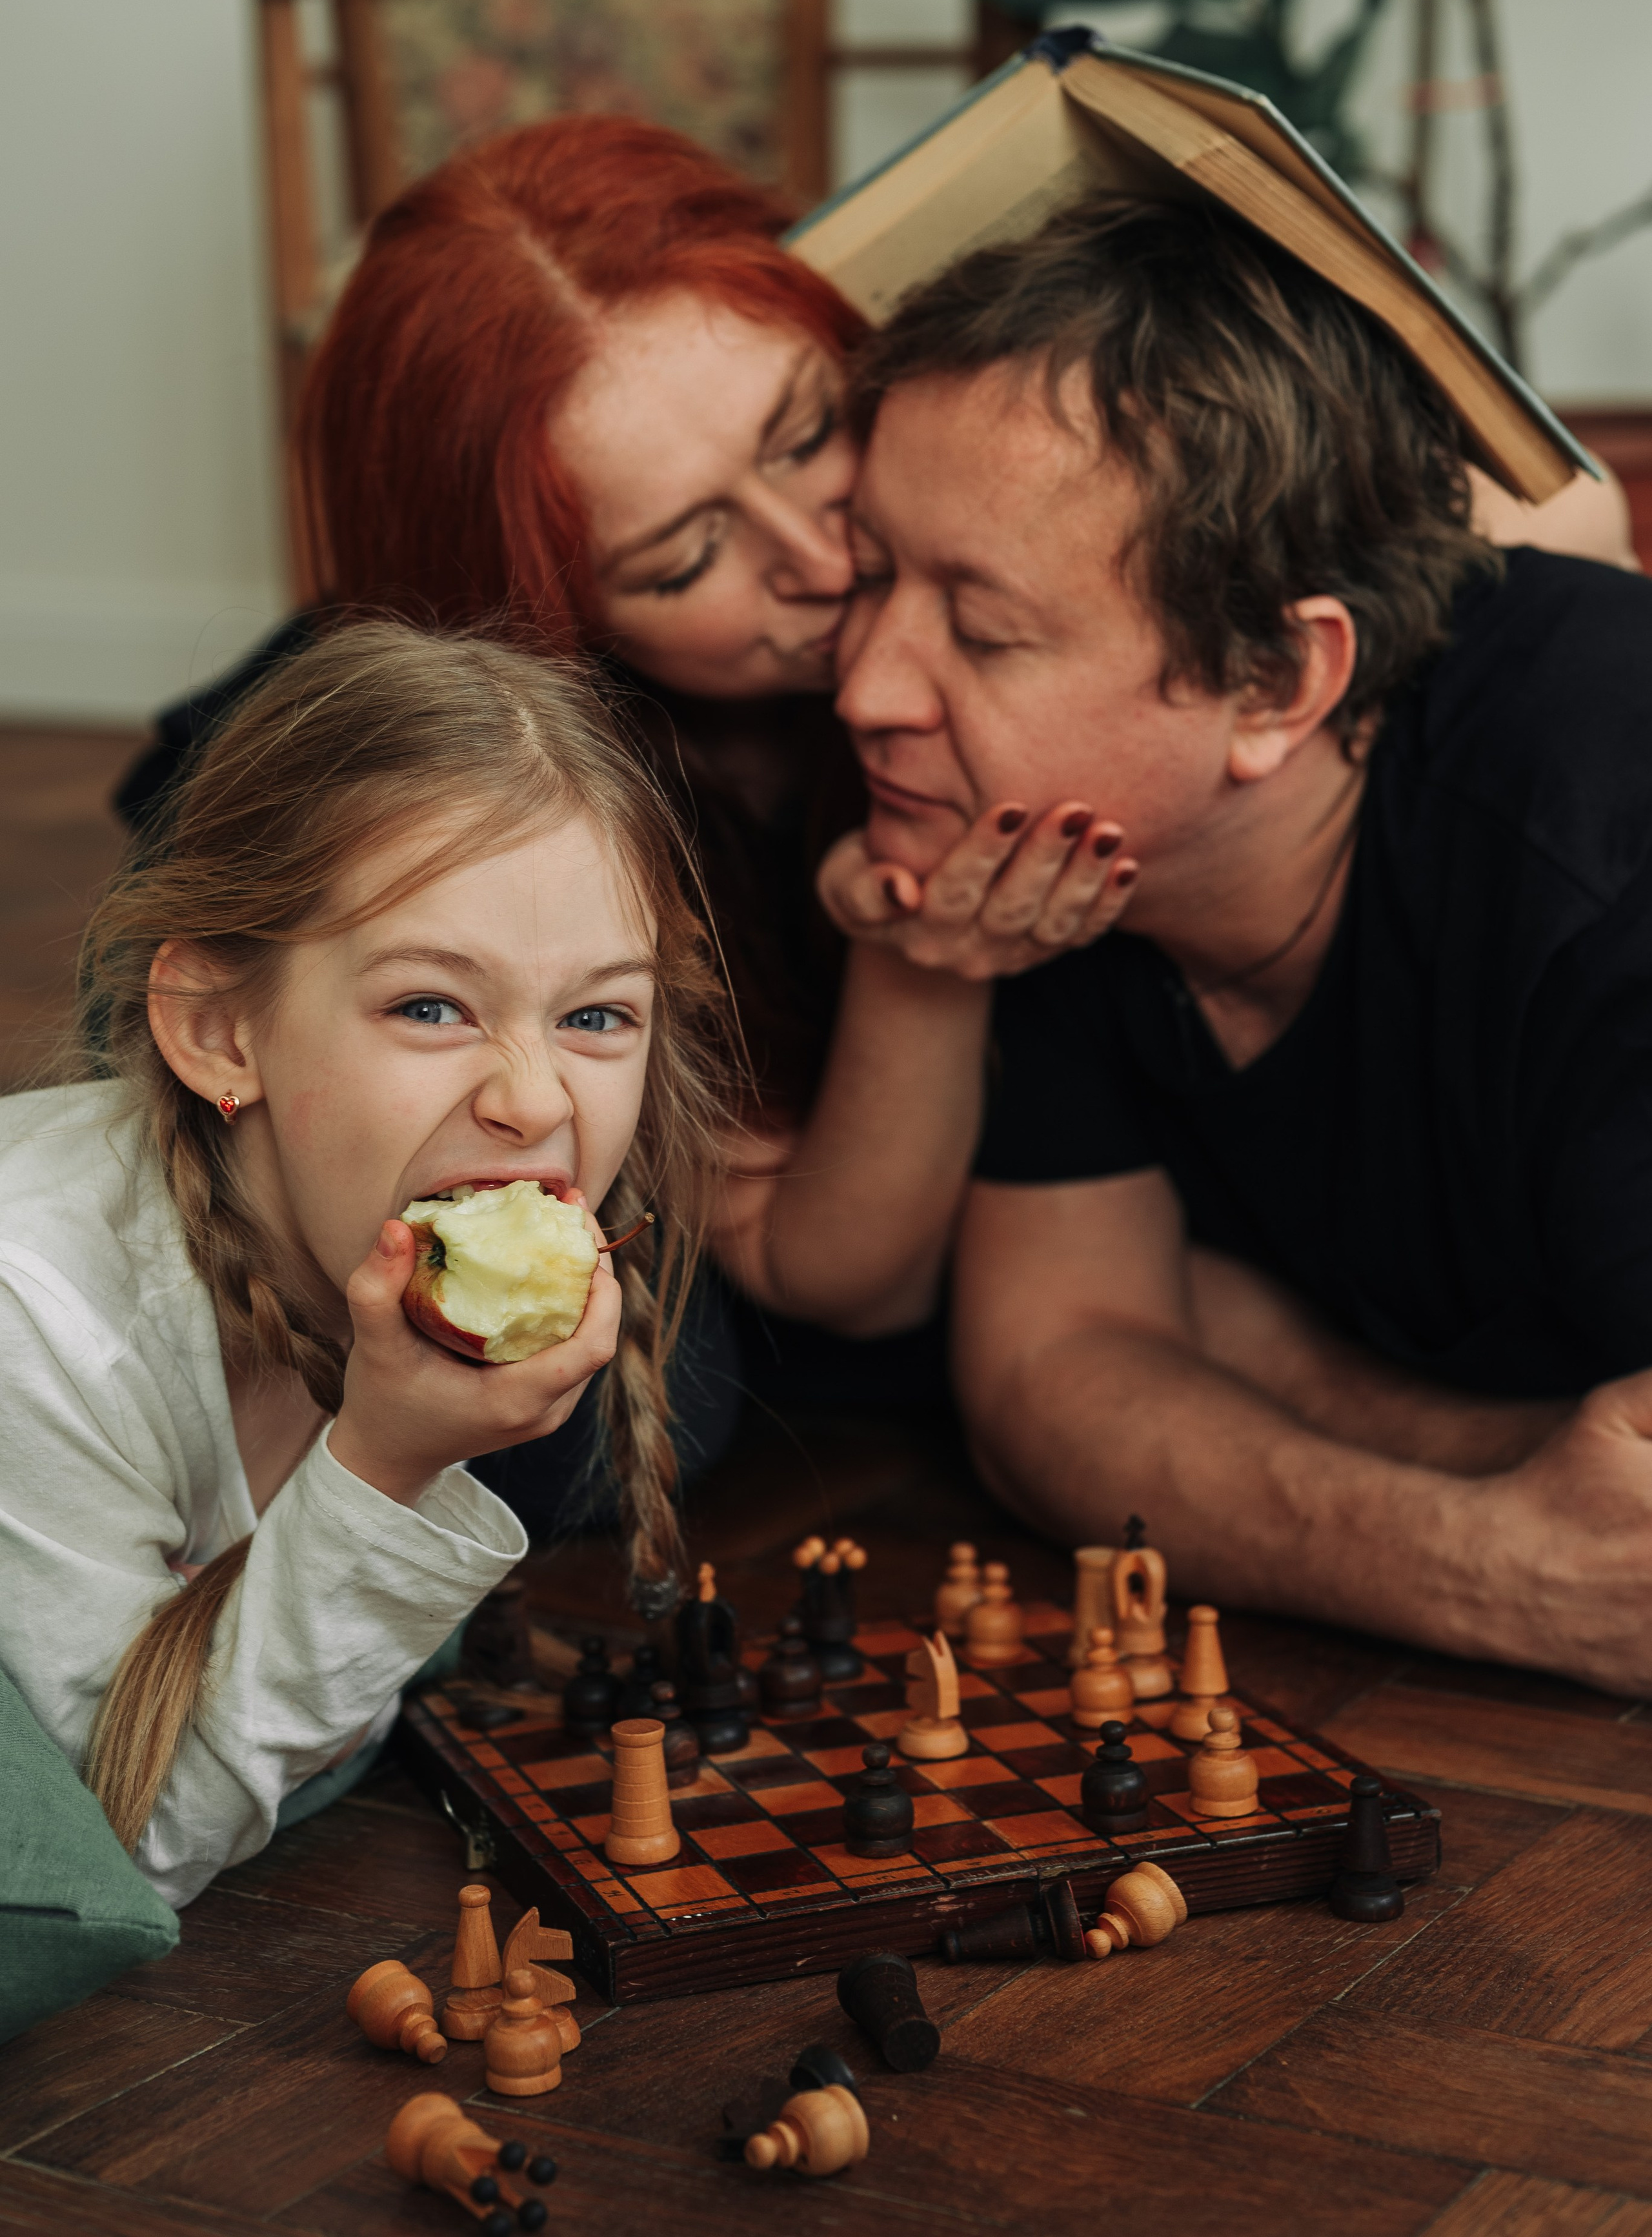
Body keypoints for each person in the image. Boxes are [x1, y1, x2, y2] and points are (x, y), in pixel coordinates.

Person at [116, 117, 1134, 1500]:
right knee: (618, 1412)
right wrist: (918, 967)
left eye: (807, 434)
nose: (820, 558)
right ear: (560, 622)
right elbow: (849, 1280)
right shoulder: (552, 800)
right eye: (686, 554)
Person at [834, 190, 1652, 1695]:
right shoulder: (1043, 862)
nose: (866, 688)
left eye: (984, 627)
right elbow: (1044, 1377)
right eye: (872, 573)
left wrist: (1259, 1370)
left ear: (1277, 676)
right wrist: (1499, 1565)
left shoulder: (1599, 832)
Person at [0, 621, 727, 1905]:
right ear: (221, 1029)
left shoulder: (364, 1229)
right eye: (430, 1006)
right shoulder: (32, 1312)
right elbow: (111, 1855)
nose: (530, 1097)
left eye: (596, 1014)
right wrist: (388, 1464)